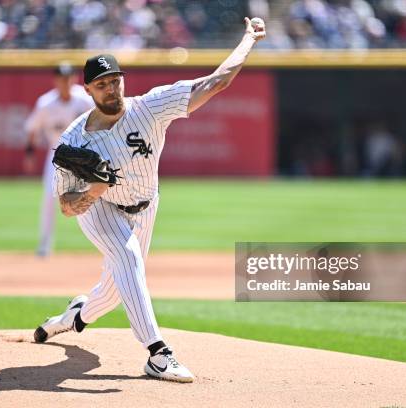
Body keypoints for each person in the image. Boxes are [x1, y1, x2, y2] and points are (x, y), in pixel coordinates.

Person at [33, 18, 266, 383]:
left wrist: (248, 40)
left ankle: (73, 316)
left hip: (145, 205)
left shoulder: (150, 106)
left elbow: (216, 82)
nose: (111, 89)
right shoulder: (74, 140)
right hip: (102, 209)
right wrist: (94, 187)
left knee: (111, 293)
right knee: (127, 259)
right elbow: (66, 205)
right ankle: (157, 353)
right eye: (102, 84)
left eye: (115, 80)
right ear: (89, 90)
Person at [24, 63, 94, 257]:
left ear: (74, 78)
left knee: (98, 196)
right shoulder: (45, 103)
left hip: (84, 155)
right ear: (55, 80)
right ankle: (45, 244)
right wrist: (29, 152)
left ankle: (105, 244)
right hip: (57, 155)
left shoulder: (85, 99)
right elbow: (32, 128)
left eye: (68, 77)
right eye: (62, 78)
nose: (65, 81)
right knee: (49, 198)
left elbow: (101, 119)